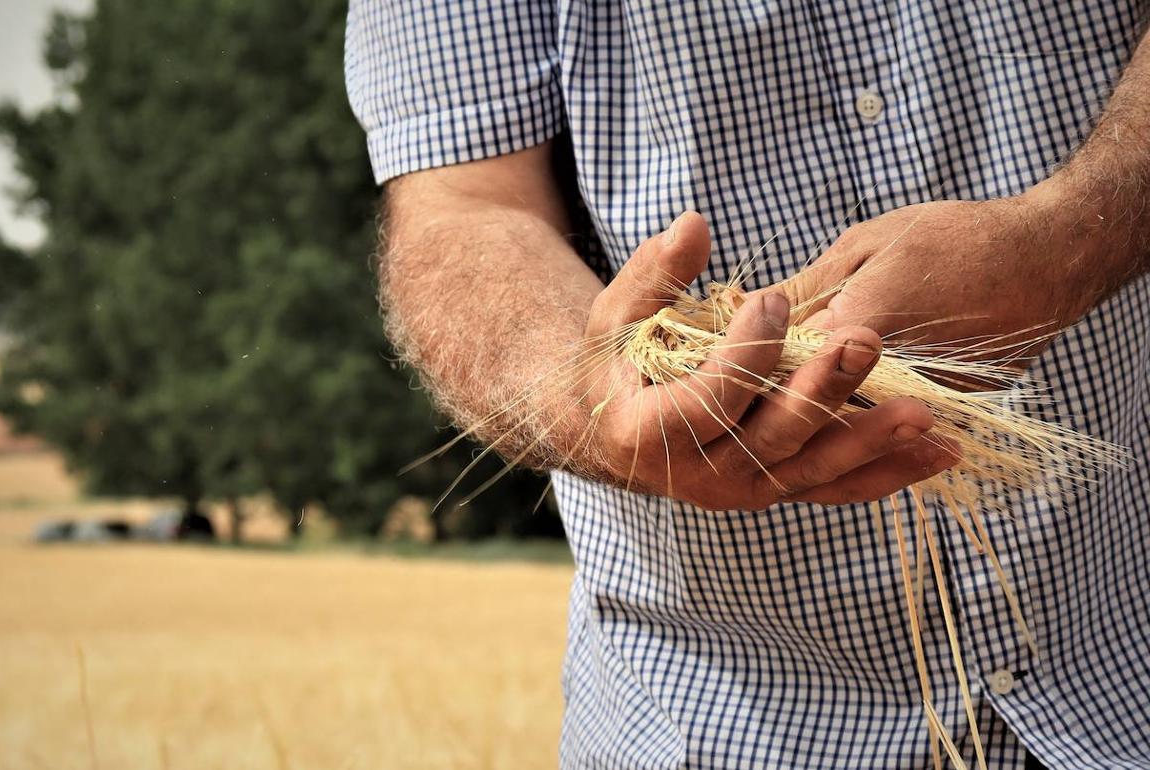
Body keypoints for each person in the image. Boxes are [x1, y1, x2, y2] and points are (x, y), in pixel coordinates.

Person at [345, 3, 1150, 768]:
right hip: (711, 722)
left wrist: (1071, 237)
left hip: (1125, 669)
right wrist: (593, 407)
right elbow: (467, 204)